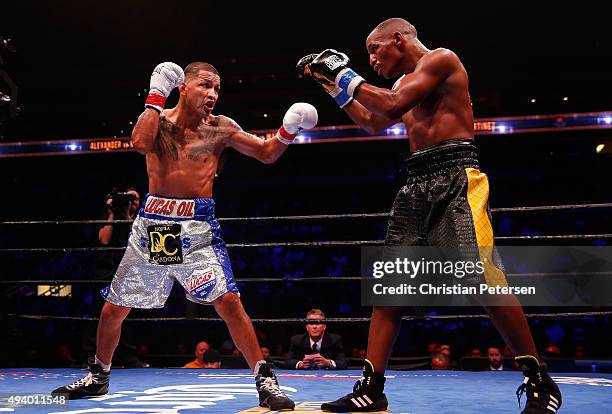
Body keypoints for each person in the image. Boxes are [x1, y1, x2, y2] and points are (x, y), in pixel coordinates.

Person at [298, 18, 561, 413]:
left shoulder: (441, 60)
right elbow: (374, 121)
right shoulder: (401, 85)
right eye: (366, 55)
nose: (372, 59)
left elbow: (389, 105)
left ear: (399, 40)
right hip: (415, 183)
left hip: (457, 176)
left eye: (376, 49)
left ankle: (539, 381)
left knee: (483, 279)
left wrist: (343, 72)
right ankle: (371, 389)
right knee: (389, 288)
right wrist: (332, 86)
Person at [52, 61, 318, 411]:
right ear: (184, 87)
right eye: (206, 85)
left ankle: (265, 379)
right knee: (114, 309)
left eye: (218, 88)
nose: (213, 94)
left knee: (228, 301)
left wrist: (288, 129)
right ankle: (99, 376)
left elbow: (266, 153)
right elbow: (139, 142)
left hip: (197, 228)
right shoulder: (158, 123)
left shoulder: (220, 128)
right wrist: (154, 95)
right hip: (157, 226)